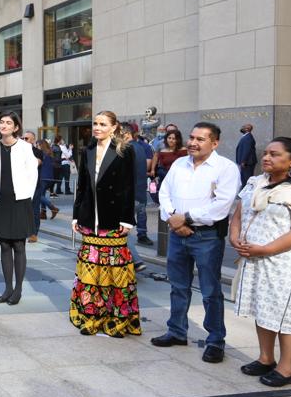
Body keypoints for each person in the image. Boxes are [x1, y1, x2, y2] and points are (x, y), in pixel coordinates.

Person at [231, 138, 291, 387]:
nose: (266, 158)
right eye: (265, 153)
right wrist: (234, 238)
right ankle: (266, 358)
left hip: (282, 262)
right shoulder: (256, 183)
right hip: (254, 258)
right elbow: (239, 214)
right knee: (261, 307)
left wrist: (265, 249)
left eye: (275, 154)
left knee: (284, 313)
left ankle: (286, 369)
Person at [152, 122, 240, 363]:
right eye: (191, 137)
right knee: (178, 286)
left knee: (211, 291)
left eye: (200, 139)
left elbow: (221, 205)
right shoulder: (180, 163)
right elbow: (164, 192)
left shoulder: (226, 168)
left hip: (207, 237)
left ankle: (215, 340)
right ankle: (177, 331)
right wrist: (174, 220)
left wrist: (186, 218)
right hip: (177, 235)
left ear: (215, 143)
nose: (193, 142)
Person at [68, 112, 140, 337]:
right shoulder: (87, 150)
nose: (97, 128)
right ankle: (90, 317)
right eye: (95, 124)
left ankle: (116, 320)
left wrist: (127, 219)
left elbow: (129, 187)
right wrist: (76, 216)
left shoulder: (124, 151)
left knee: (114, 275)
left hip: (113, 221)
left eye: (102, 124)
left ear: (113, 127)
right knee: (90, 277)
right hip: (90, 222)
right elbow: (81, 186)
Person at [0, 111, 38, 305]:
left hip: (21, 201)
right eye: (1, 122)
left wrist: (26, 198)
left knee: (19, 245)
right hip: (1, 201)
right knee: (4, 245)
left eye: (8, 123)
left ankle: (18, 289)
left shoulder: (25, 148)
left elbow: (32, 176)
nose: (4, 125)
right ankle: (7, 287)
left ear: (16, 127)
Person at [123, 124, 155, 247]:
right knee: (140, 213)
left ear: (127, 134)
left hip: (130, 192)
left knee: (122, 229)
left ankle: (136, 260)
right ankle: (142, 235)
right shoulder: (141, 147)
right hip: (139, 189)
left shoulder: (127, 148)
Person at [236, 123, 258, 189]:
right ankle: (244, 194)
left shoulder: (248, 137)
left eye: (243, 126)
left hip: (247, 163)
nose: (241, 128)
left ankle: (247, 194)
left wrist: (243, 161)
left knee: (247, 179)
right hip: (246, 162)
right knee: (244, 179)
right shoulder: (246, 136)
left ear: (246, 129)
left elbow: (246, 150)